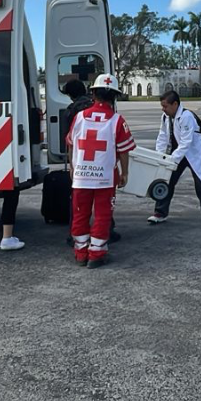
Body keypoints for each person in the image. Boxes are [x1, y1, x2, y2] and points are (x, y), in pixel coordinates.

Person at [67, 74, 135, 268]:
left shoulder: (79, 117)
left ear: (93, 93)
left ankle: (81, 252)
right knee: (103, 214)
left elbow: (71, 144)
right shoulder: (117, 120)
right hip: (105, 177)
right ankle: (96, 253)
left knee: (80, 213)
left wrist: (73, 166)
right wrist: (125, 173)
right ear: (114, 97)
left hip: (81, 176)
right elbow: (123, 150)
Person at [61, 77, 120, 244]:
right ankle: (103, 239)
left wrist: (72, 166)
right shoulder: (110, 114)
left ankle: (78, 242)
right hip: (104, 169)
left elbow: (70, 141)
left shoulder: (75, 112)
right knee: (104, 210)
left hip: (82, 167)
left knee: (79, 209)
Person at [148, 90, 201, 225]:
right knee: (167, 181)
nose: (163, 109)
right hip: (178, 153)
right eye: (162, 106)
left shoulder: (186, 116)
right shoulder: (165, 117)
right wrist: (160, 155)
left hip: (193, 154)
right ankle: (160, 212)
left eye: (165, 106)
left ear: (175, 104)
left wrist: (173, 158)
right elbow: (162, 136)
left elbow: (186, 142)